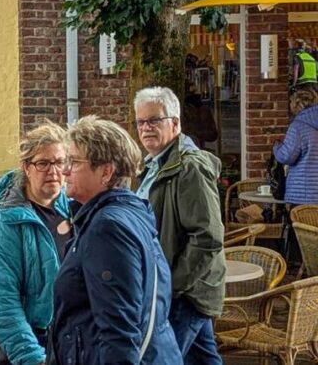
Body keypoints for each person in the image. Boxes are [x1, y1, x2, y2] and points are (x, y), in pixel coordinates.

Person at [51, 115, 182, 364]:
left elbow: (119, 328)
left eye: (74, 162)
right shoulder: (124, 213)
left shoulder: (107, 227)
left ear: (106, 171)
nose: (64, 170)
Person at [134, 86, 225, 364]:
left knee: (160, 360)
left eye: (154, 120)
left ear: (175, 122)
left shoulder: (188, 168)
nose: (146, 128)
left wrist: (171, 285)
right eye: (140, 122)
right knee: (204, 358)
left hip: (184, 293)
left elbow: (208, 237)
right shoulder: (153, 166)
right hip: (176, 288)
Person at [0, 121, 72, 365]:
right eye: (43, 163)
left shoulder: (74, 211)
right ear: (26, 167)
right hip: (24, 341)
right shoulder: (6, 223)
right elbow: (2, 304)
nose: (53, 171)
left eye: (60, 162)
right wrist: (32, 358)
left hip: (63, 336)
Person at [274, 85, 318, 205]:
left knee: (301, 218)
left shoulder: (297, 127)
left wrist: (277, 148)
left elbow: (287, 156)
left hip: (303, 192)